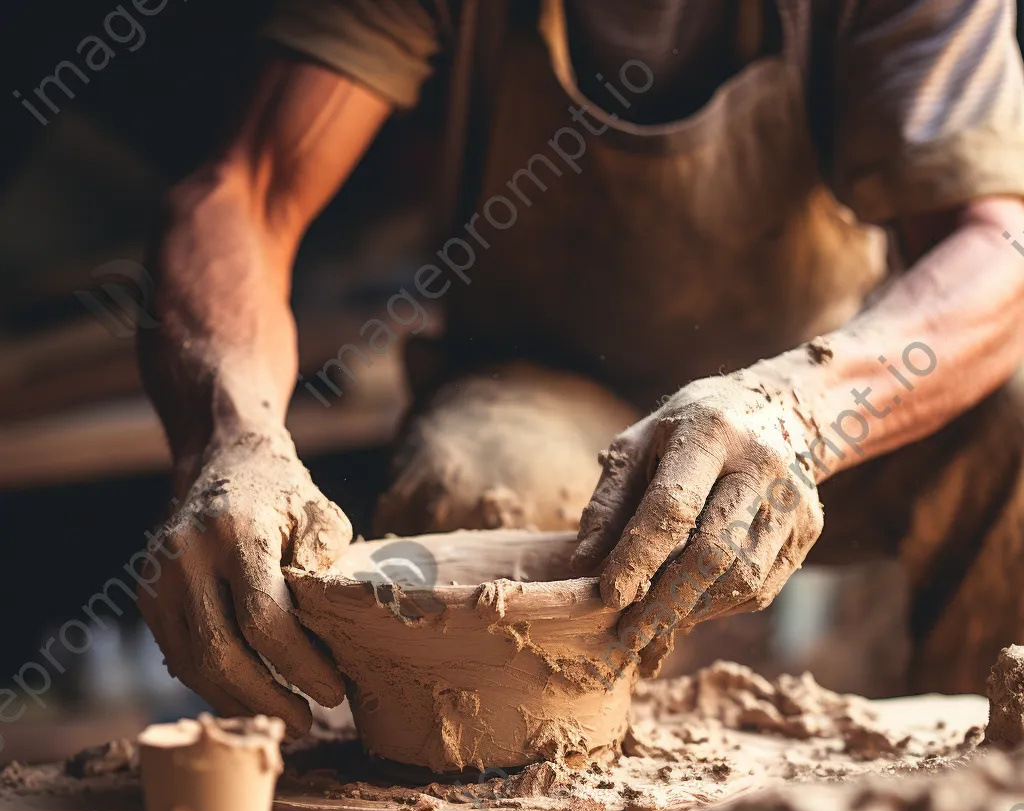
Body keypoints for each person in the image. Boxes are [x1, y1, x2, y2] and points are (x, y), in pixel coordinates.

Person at [137, 0, 1024, 735]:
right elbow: (244, 193)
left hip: (811, 384)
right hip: (541, 387)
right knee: (474, 500)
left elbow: (999, 245)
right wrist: (231, 439)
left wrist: (801, 411)